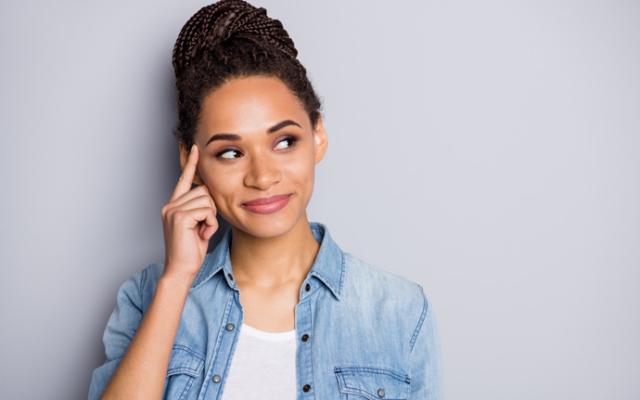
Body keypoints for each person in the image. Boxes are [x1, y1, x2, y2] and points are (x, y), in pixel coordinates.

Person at [88, 0, 442, 399]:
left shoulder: (399, 310)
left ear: (318, 136)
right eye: (231, 152)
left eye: (284, 141)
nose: (262, 176)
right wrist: (176, 281)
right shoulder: (146, 296)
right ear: (192, 159)